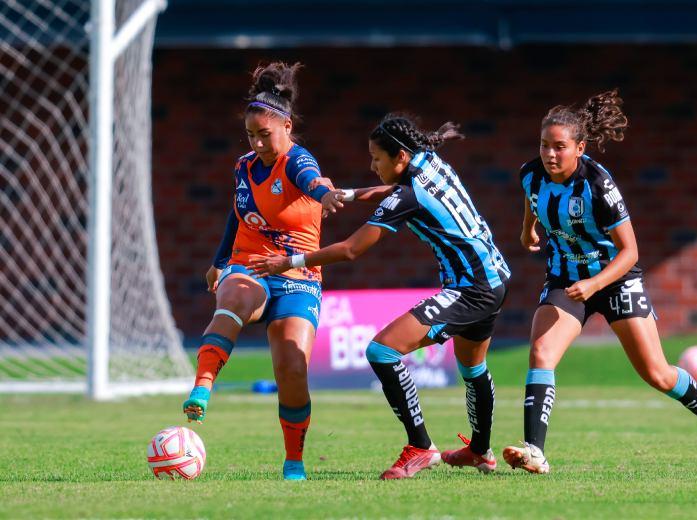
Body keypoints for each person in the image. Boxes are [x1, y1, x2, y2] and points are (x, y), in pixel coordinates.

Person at [249, 114, 512, 479]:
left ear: (400, 156)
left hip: (470, 290)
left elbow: (351, 249)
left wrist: (290, 261)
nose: (372, 166)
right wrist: (351, 194)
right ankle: (480, 452)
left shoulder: (409, 195)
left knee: (382, 351)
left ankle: (421, 447)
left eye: (376, 158)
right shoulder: (430, 162)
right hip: (495, 278)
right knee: (472, 367)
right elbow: (390, 191)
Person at [503, 89, 697, 474]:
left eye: (560, 147)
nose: (550, 154)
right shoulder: (530, 173)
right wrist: (527, 228)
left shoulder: (598, 184)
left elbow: (630, 251)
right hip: (566, 278)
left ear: (580, 148)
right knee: (541, 352)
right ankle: (535, 451)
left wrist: (595, 284)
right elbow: (532, 198)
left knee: (657, 373)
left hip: (614, 279)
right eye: (544, 145)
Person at [182, 61, 342, 481]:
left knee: (291, 368)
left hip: (297, 274)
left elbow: (311, 181)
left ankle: (294, 460)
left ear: (287, 126)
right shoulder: (244, 165)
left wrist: (325, 195)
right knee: (235, 297)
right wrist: (220, 261)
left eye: (264, 134)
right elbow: (237, 214)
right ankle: (202, 386)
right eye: (250, 134)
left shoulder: (298, 160)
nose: (257, 143)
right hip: (249, 262)